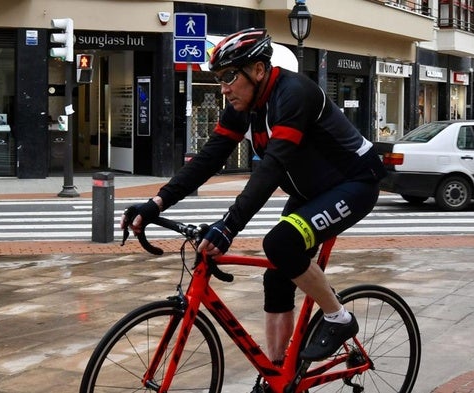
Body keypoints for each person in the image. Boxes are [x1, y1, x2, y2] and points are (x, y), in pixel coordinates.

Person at [121, 27, 386, 382]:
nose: (223, 88)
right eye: (219, 79)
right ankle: (278, 376)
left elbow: (272, 167)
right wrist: (156, 204)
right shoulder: (243, 105)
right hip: (311, 191)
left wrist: (229, 225)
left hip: (354, 183)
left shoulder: (293, 94)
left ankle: (338, 316)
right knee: (277, 277)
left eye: (229, 76)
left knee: (280, 243)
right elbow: (208, 159)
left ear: (259, 70)